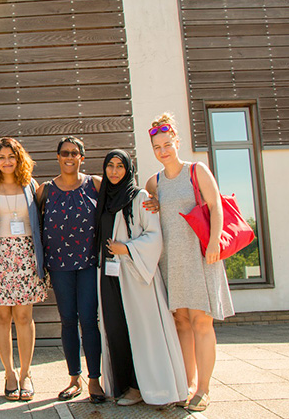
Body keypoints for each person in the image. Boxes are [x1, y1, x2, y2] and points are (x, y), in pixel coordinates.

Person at [144, 113, 234, 412]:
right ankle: (186, 385)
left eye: (167, 145)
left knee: (201, 322)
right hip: (171, 260)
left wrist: (213, 243)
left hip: (199, 255)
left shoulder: (197, 171)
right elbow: (153, 206)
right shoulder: (154, 181)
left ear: (177, 143)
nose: (163, 151)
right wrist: (154, 203)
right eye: (157, 147)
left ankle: (204, 389)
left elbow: (216, 206)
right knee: (181, 322)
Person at [94, 150, 189, 406]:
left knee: (142, 330)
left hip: (136, 276)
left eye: (119, 166)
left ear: (128, 169)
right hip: (109, 275)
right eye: (110, 166)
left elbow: (154, 235)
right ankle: (125, 386)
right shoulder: (104, 198)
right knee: (116, 329)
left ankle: (145, 387)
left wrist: (127, 248)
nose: (114, 172)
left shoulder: (140, 198)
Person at [0, 137, 46, 401]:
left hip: (26, 257)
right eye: (1, 157)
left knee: (24, 318)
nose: (6, 161)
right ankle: (9, 373)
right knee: (2, 318)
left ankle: (26, 374)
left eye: (11, 156)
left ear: (19, 158)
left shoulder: (31, 184)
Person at [40, 136, 106, 403]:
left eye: (74, 153)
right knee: (68, 320)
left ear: (82, 157)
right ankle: (73, 378)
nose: (69, 157)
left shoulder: (95, 184)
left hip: (89, 263)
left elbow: (122, 200)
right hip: (59, 265)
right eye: (65, 153)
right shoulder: (44, 189)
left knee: (90, 320)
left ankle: (94, 380)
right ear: (58, 157)